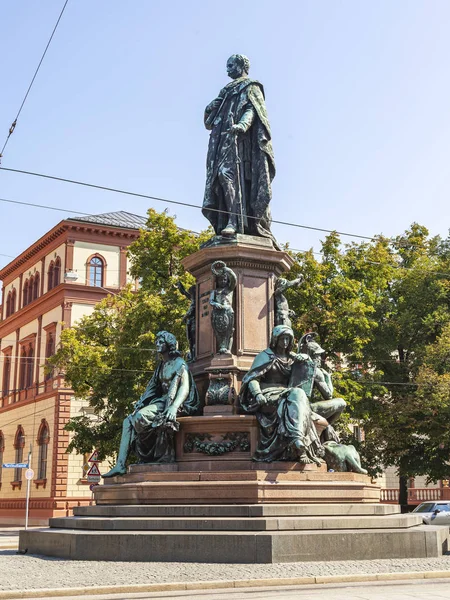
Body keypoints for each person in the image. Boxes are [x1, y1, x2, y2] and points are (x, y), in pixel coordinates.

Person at [202, 54, 277, 244]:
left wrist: (243, 125)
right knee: (220, 178)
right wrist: (211, 107)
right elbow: (210, 121)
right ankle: (229, 219)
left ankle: (235, 222)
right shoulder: (225, 90)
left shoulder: (251, 86)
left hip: (242, 144)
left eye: (230, 65)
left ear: (241, 65)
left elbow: (253, 110)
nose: (227, 70)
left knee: (230, 177)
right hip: (222, 141)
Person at [102, 331, 199, 477]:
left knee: (140, 417)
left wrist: (173, 407)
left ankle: (150, 450)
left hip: (171, 402)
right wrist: (141, 402)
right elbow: (152, 388)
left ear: (169, 344)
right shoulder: (162, 365)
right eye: (157, 341)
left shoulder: (180, 364)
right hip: (161, 401)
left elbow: (184, 388)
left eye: (161, 342)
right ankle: (120, 465)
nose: (157, 344)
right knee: (127, 421)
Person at [239, 325, 323, 464]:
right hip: (268, 392)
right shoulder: (265, 356)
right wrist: (258, 394)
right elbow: (253, 378)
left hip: (289, 392)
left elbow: (301, 380)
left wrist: (304, 362)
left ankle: (297, 440)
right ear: (275, 339)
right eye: (282, 339)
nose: (284, 342)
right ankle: (298, 441)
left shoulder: (292, 359)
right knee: (295, 396)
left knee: (298, 396)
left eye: (287, 339)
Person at [298, 333, 347, 443]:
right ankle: (327, 426)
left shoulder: (294, 364)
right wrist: (328, 378)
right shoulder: (315, 371)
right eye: (317, 355)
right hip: (308, 407)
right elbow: (328, 395)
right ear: (311, 355)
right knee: (342, 403)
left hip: (294, 405)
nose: (319, 358)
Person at [210, 261, 237, 354]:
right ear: (217, 281)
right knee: (219, 332)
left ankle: (228, 349)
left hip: (228, 311)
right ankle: (222, 347)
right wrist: (215, 304)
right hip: (217, 313)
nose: (222, 281)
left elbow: (234, 279)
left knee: (229, 331)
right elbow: (211, 301)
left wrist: (227, 270)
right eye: (220, 280)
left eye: (224, 279)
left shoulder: (229, 289)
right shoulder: (215, 291)